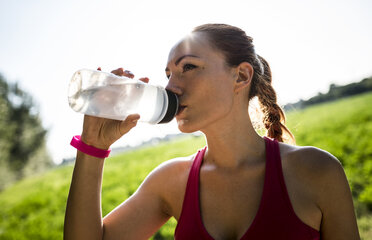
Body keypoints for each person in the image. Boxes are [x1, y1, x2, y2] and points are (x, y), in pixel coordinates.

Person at [64, 24, 360, 240]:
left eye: (188, 67)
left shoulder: (317, 171)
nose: (170, 88)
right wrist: (92, 146)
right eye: (168, 74)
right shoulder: (170, 182)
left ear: (241, 76)